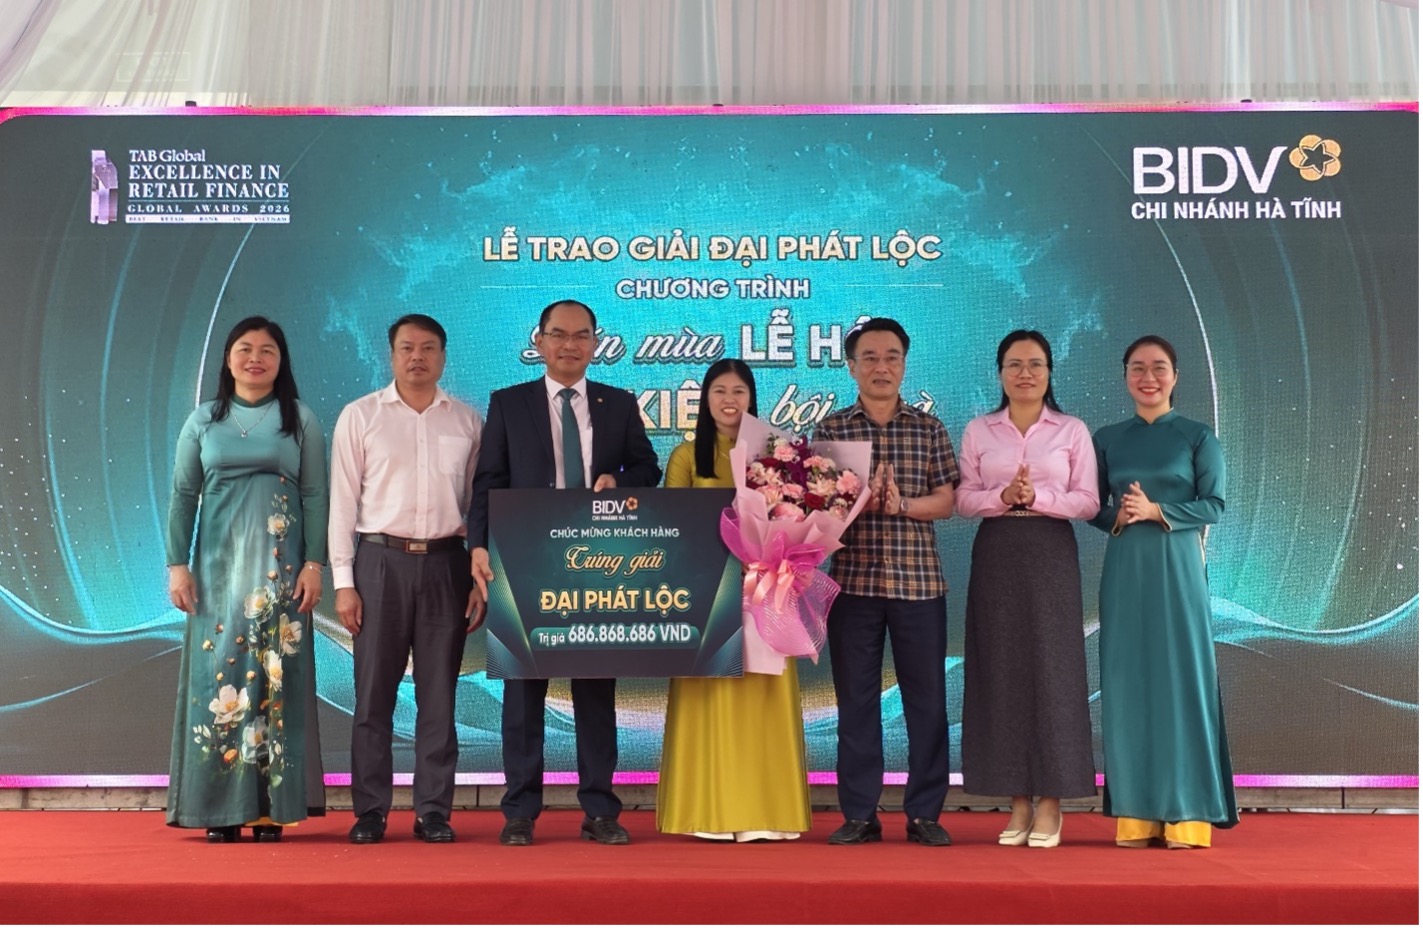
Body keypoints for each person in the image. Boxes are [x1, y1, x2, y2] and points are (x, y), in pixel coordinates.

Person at [468, 299, 661, 847]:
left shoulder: (618, 404)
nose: (569, 345)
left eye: (581, 335)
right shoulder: (509, 403)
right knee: (523, 692)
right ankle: (519, 811)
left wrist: (619, 481)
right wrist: (477, 546)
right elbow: (488, 480)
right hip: (525, 559)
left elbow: (648, 467)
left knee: (596, 691)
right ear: (540, 341)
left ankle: (600, 809)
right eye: (558, 334)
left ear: (596, 343)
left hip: (598, 563)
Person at [166, 316, 328, 843]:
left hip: (283, 573)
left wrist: (315, 563)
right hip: (216, 574)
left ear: (281, 362)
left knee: (275, 679)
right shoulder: (202, 421)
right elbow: (182, 496)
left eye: (267, 350)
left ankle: (270, 811)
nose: (255, 358)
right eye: (244, 348)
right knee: (220, 679)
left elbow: (315, 495)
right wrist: (177, 564)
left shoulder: (299, 419)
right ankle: (217, 810)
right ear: (228, 358)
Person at [329, 314, 483, 845]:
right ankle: (370, 811)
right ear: (391, 355)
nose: (417, 357)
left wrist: (477, 576)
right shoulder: (361, 416)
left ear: (443, 356)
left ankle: (433, 811)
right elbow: (342, 503)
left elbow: (477, 507)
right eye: (407, 348)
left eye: (428, 348)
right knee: (373, 695)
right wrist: (344, 582)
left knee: (439, 696)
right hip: (379, 562)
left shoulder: (467, 422)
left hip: (446, 565)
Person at [812, 318, 959, 847]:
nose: (881, 367)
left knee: (927, 703)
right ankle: (859, 814)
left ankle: (925, 814)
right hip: (853, 586)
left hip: (919, 586)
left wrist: (902, 505)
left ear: (904, 364)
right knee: (856, 703)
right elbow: (817, 512)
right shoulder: (831, 430)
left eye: (892, 356)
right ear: (851, 367)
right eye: (870, 357)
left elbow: (948, 500)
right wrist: (856, 504)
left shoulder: (928, 428)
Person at [1090, 335, 1238, 849]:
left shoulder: (1197, 436)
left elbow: (1214, 505)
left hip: (1178, 568)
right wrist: (1121, 516)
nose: (1147, 377)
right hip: (1125, 567)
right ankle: (1137, 813)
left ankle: (1187, 814)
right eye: (1137, 368)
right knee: (1128, 682)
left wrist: (1158, 511)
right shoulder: (1107, 438)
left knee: (1181, 680)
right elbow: (1092, 505)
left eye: (1158, 367)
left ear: (1175, 376)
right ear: (1124, 375)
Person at [656, 359, 812, 842]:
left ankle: (766, 813)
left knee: (762, 694)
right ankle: (710, 812)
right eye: (719, 390)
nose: (729, 400)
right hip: (708, 590)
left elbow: (795, 516)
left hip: (765, 588)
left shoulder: (777, 454)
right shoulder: (687, 456)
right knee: (712, 694)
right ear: (705, 399)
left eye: (739, 391)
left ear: (751, 398)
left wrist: (769, 555)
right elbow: (672, 524)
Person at [955, 330, 1099, 849]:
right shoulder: (979, 429)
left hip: (1050, 553)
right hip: (997, 553)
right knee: (1002, 672)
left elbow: (1088, 501)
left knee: (1053, 671)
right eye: (1014, 364)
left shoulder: (1071, 430)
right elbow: (962, 500)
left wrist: (1037, 497)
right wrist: (1002, 496)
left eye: (1035, 364)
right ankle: (1017, 801)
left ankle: (1052, 802)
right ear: (999, 373)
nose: (1025, 374)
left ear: (1049, 372)